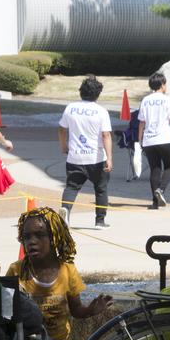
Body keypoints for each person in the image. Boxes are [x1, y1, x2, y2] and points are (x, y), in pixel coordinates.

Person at [5, 207, 112, 340]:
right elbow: (6, 315)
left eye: (39, 235)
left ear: (54, 237)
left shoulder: (67, 270)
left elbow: (76, 310)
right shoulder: (16, 271)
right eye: (27, 236)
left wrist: (90, 310)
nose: (32, 241)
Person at [58, 75, 114, 228]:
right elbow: (106, 135)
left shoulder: (71, 108)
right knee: (101, 188)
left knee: (71, 187)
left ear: (81, 92)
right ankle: (100, 221)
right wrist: (109, 158)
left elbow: (62, 129)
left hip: (75, 157)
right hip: (96, 158)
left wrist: (64, 146)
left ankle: (66, 211)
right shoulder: (101, 111)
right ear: (97, 94)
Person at [138, 71, 170, 209]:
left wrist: (139, 140)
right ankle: (161, 190)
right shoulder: (167, 99)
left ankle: (154, 202)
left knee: (155, 169)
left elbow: (141, 122)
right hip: (164, 138)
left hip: (149, 140)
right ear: (162, 85)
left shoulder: (145, 100)